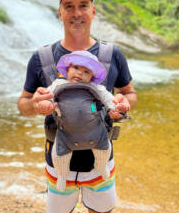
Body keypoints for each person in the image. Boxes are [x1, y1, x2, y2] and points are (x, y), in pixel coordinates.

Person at [18, 0, 137, 213]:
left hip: (101, 156)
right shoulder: (41, 58)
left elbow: (129, 93)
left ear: (93, 11)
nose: (76, 13)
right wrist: (35, 105)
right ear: (59, 12)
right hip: (57, 157)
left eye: (83, 5)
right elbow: (23, 104)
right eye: (69, 6)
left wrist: (123, 104)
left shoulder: (112, 54)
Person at [41, 50, 127, 192]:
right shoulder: (57, 85)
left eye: (86, 72)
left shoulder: (95, 87)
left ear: (92, 77)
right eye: (76, 68)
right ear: (67, 69)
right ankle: (62, 176)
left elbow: (107, 98)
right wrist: (45, 104)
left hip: (94, 131)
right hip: (66, 133)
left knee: (104, 149)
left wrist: (117, 106)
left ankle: (101, 167)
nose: (80, 73)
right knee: (58, 155)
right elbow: (47, 96)